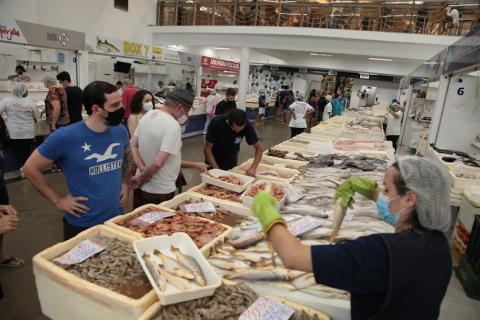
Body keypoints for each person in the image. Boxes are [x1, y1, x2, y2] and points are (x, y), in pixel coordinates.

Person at [251, 156, 451, 320]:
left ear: (409, 199)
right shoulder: (439, 244)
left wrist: (267, 211)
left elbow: (294, 256)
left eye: (386, 190)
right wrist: (366, 189)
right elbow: (401, 212)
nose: (381, 194)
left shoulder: (379, 252)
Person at [23, 81, 132, 240]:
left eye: (120, 102)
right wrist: (58, 200)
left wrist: (125, 183)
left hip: (115, 218)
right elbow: (29, 168)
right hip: (82, 223)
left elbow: (127, 155)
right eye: (115, 105)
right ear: (96, 109)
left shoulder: (120, 131)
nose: (120, 108)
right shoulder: (66, 136)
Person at [129, 89, 207, 208]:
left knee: (138, 222)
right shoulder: (172, 126)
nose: (185, 115)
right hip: (160, 189)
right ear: (180, 107)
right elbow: (158, 163)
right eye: (186, 111)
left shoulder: (149, 115)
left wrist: (141, 169)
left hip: (140, 186)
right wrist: (143, 178)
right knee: (157, 225)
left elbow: (133, 145)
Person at [204, 109, 263, 176]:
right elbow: (207, 148)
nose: (237, 132)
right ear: (228, 122)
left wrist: (253, 168)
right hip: (214, 161)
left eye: (241, 130)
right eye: (235, 129)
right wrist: (217, 169)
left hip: (231, 161)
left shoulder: (247, 125)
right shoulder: (216, 123)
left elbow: (259, 148)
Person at [0, 82, 40, 169]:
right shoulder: (30, 102)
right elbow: (37, 115)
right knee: (26, 151)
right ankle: (26, 169)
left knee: (16, 152)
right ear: (24, 91)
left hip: (14, 132)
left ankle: (20, 168)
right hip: (28, 132)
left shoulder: (7, 100)